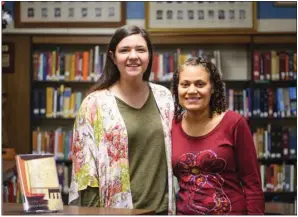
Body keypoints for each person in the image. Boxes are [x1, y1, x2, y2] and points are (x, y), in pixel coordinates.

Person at [68, 25, 175, 215]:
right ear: (113, 57)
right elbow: (85, 174)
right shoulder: (94, 104)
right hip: (116, 212)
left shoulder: (165, 97)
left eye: (140, 50)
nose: (133, 56)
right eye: (124, 50)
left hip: (163, 210)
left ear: (150, 56)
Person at [171, 57, 264, 215]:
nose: (192, 90)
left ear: (213, 88)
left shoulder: (234, 123)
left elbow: (252, 183)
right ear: (177, 89)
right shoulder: (171, 126)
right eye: (185, 84)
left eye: (200, 84)